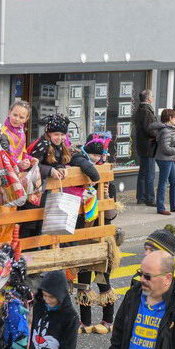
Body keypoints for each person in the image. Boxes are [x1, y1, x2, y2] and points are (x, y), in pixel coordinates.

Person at [76, 134, 118, 334]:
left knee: (102, 279)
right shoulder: (78, 179)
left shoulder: (107, 180)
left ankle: (108, 320)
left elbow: (112, 214)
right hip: (83, 237)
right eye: (91, 155)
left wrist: (106, 195)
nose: (94, 159)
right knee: (83, 281)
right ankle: (85, 322)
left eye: (98, 156)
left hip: (102, 238)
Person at [150, 109, 175, 216]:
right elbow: (165, 148)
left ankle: (174, 206)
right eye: (174, 117)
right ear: (170, 118)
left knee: (174, 181)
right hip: (164, 159)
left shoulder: (169, 129)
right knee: (163, 182)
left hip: (169, 159)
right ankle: (160, 207)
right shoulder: (166, 131)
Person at [131, 89, 156, 207]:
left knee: (143, 172)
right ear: (149, 99)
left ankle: (141, 197)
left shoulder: (139, 110)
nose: (153, 98)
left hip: (142, 145)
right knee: (149, 173)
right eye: (152, 96)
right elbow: (149, 129)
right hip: (148, 146)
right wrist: (158, 134)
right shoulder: (147, 111)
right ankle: (149, 198)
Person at [2, 99, 37, 172]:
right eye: (15, 115)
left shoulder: (22, 133)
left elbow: (22, 153)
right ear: (9, 113)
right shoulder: (2, 132)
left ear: (26, 119)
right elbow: (4, 155)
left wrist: (30, 159)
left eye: (21, 117)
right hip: (4, 171)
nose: (17, 119)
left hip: (17, 171)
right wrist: (19, 162)